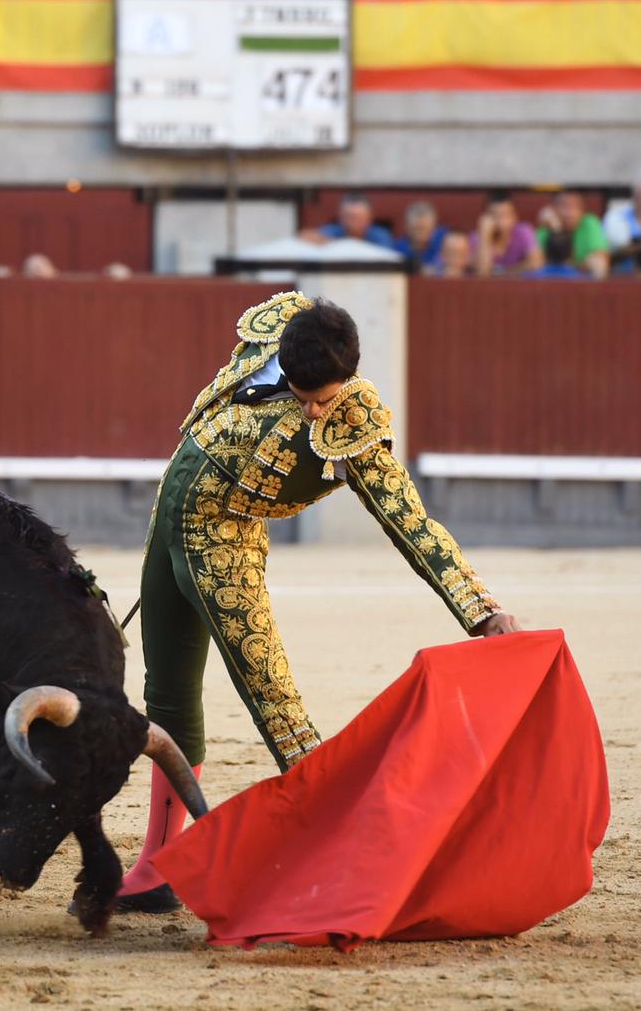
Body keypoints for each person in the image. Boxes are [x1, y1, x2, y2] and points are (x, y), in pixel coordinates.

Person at [114, 292, 519, 914]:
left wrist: (480, 608)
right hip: (167, 525)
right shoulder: (274, 331)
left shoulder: (354, 426)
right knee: (166, 697)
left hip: (226, 543)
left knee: (280, 712)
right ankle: (156, 868)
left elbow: (410, 520)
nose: (310, 410)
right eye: (303, 394)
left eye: (321, 399)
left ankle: (347, 865)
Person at [536, 190, 609, 279]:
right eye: (564, 206)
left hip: (582, 286)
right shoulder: (547, 226)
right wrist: (556, 230)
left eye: (575, 206)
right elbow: (537, 265)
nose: (569, 213)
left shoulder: (589, 223)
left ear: (582, 210)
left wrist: (571, 268)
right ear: (554, 208)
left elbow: (600, 266)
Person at [471, 192, 543, 276]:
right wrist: (485, 236)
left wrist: (501, 273)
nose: (500, 221)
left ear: (514, 217)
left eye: (505, 215)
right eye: (495, 215)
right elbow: (482, 273)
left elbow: (536, 263)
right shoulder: (477, 238)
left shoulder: (523, 232)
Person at [299, 192, 396, 249]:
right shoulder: (334, 231)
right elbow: (304, 236)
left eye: (359, 217)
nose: (353, 222)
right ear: (340, 217)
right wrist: (327, 241)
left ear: (369, 218)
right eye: (349, 217)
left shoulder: (380, 236)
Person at [394, 200, 445, 269]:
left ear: (434, 227)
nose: (420, 234)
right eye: (416, 228)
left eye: (425, 229)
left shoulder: (444, 243)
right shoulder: (397, 249)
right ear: (407, 227)